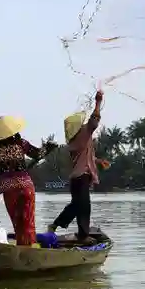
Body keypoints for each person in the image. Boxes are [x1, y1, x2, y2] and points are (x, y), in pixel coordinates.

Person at [0, 115, 57, 246]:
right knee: (28, 222)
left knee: (18, 224)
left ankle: (23, 248)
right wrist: (49, 147)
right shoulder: (20, 143)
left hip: (9, 188)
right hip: (25, 186)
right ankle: (29, 247)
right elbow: (38, 154)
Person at [48, 90, 108, 243]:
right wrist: (98, 102)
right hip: (81, 178)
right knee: (83, 206)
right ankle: (81, 234)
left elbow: (86, 156)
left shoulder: (75, 141)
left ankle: (57, 226)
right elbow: (94, 121)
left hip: (77, 179)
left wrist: (98, 161)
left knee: (77, 205)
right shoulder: (83, 134)